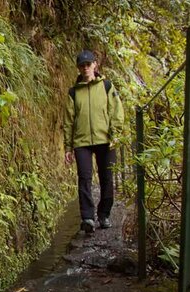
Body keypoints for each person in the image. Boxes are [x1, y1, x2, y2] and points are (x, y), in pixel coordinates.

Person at [63, 50, 124, 234]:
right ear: (78, 68)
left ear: (95, 65)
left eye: (88, 64)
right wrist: (67, 146)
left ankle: (104, 215)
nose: (85, 68)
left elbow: (116, 111)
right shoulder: (74, 92)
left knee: (107, 178)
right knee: (84, 178)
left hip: (105, 139)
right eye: (82, 65)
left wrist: (116, 134)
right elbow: (68, 121)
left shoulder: (106, 86)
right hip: (81, 141)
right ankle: (88, 218)